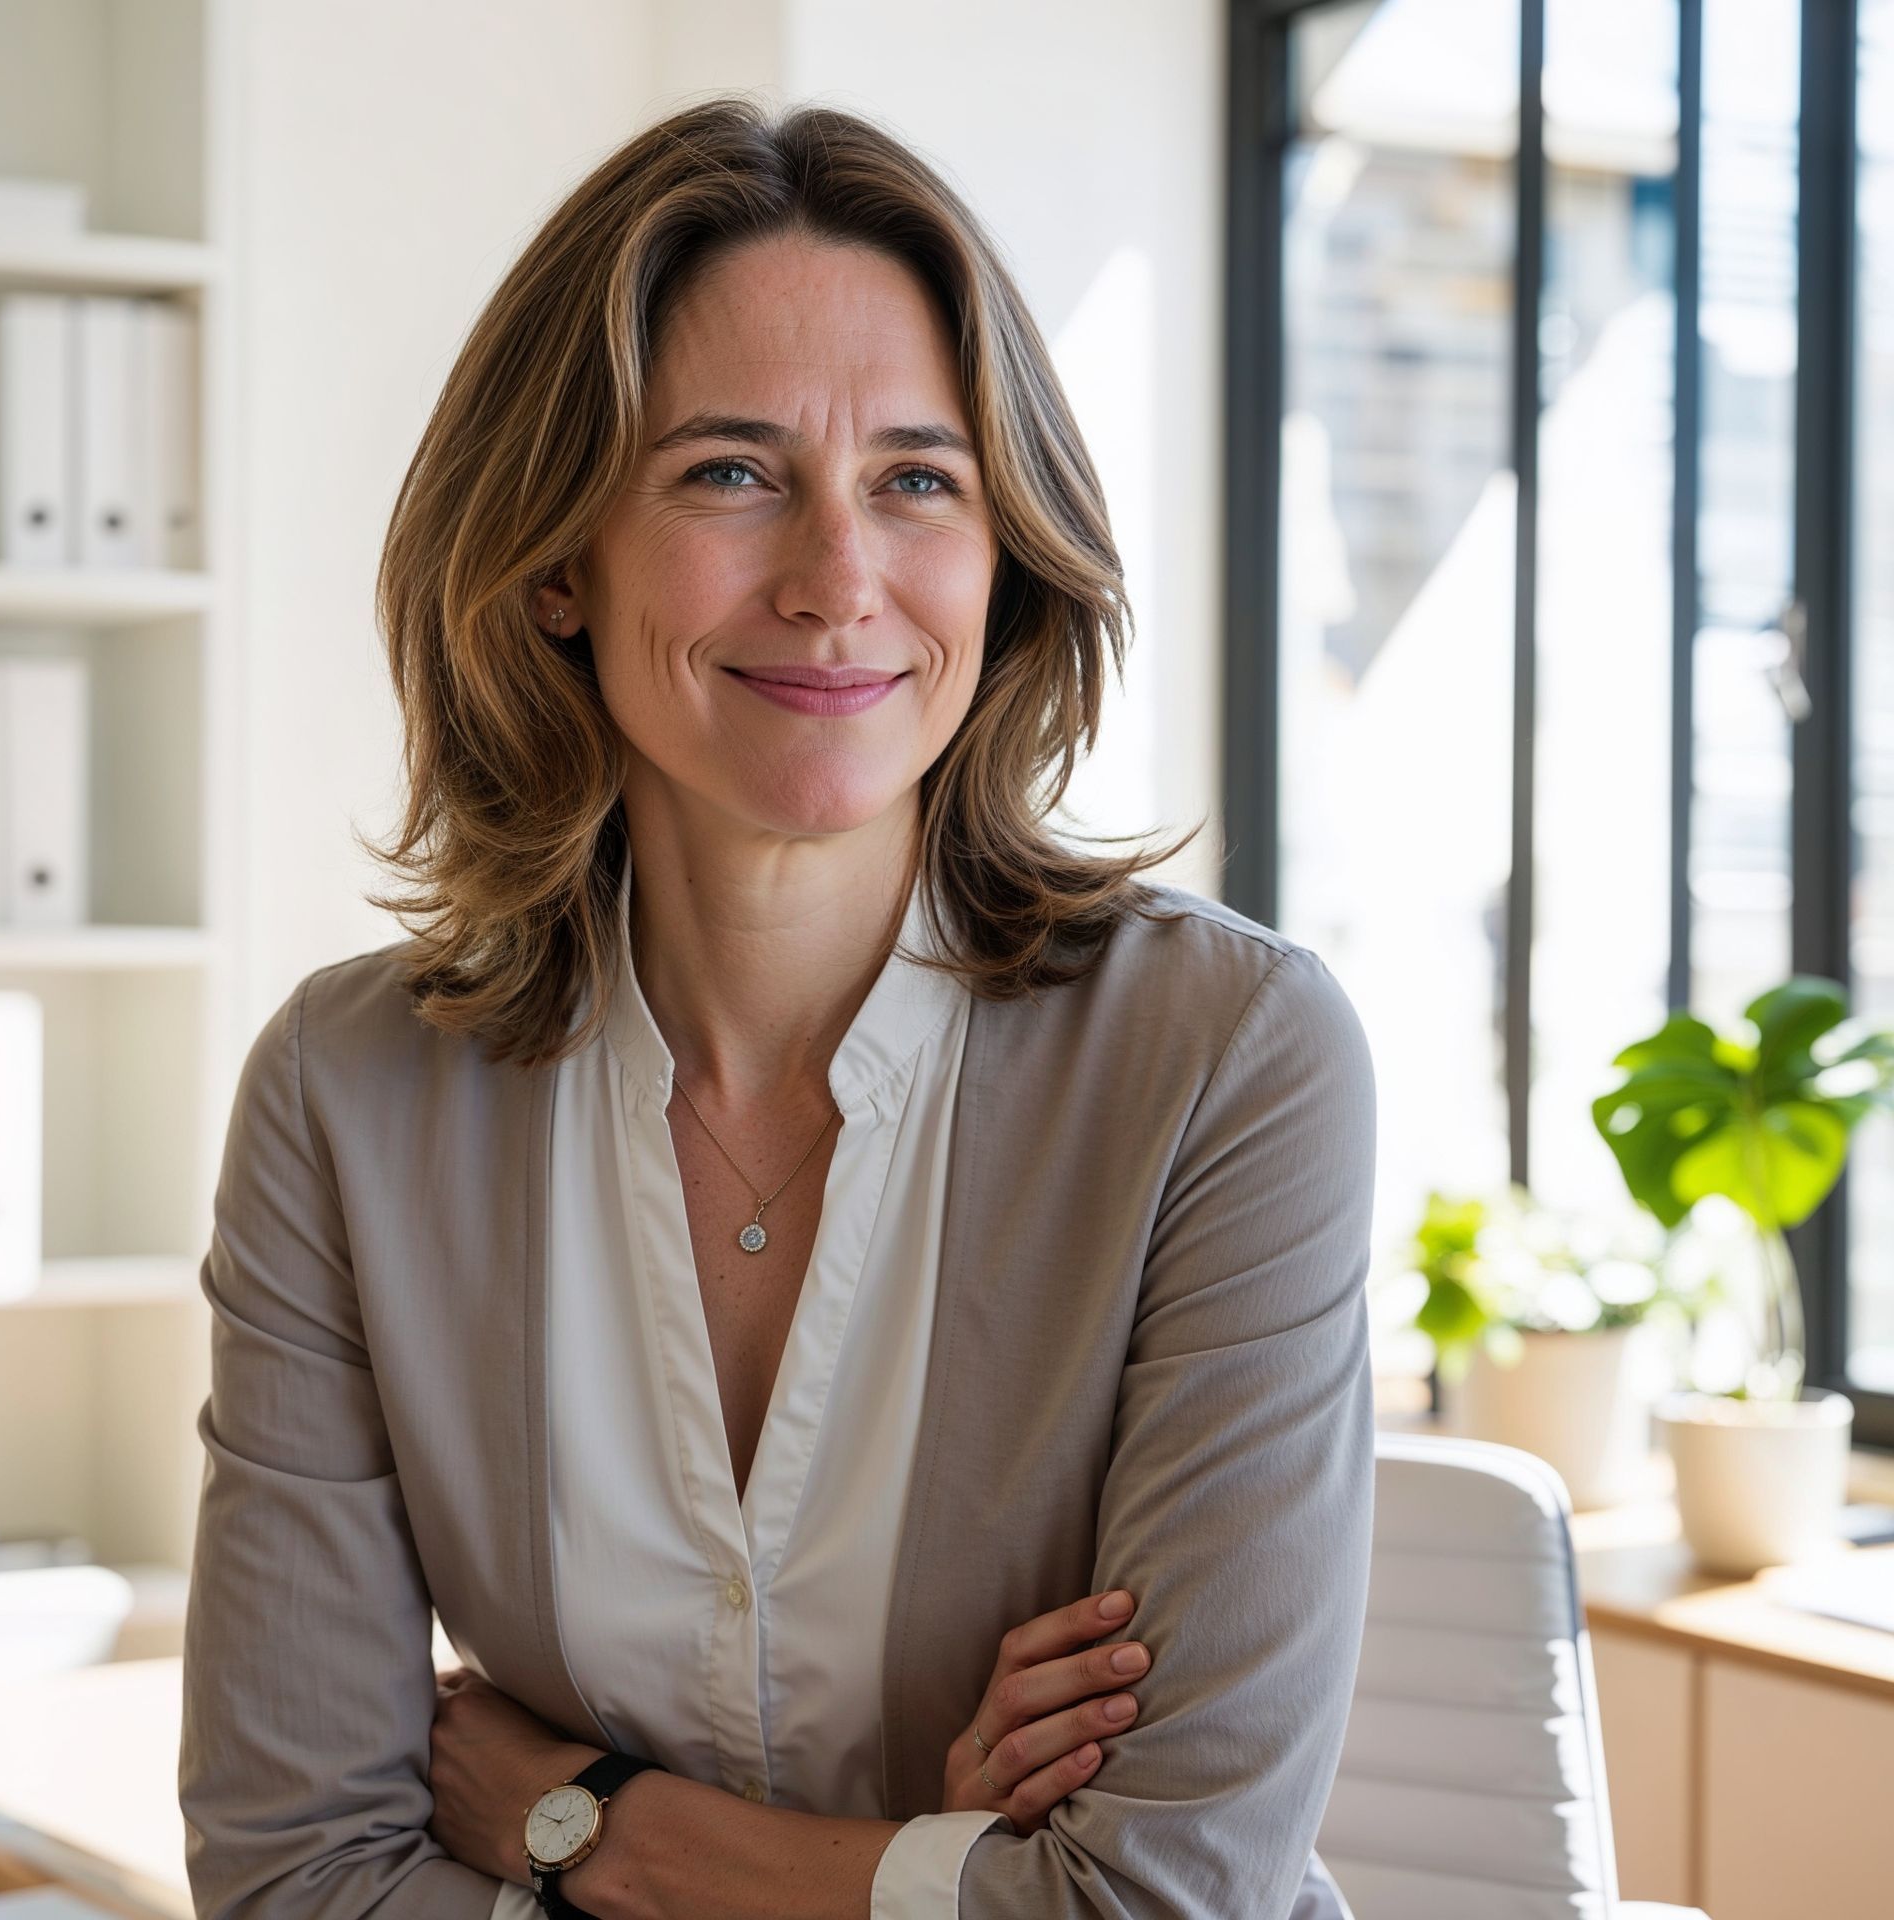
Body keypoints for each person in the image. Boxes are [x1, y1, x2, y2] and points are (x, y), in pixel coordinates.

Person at [177, 94, 1374, 1920]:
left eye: (918, 479)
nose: (837, 584)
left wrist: (592, 1827)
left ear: (1005, 552)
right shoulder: (350, 1099)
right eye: (730, 472)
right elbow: (294, 1873)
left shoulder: (1226, 1061)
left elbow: (1164, 1901)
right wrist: (941, 1871)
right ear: (558, 558)